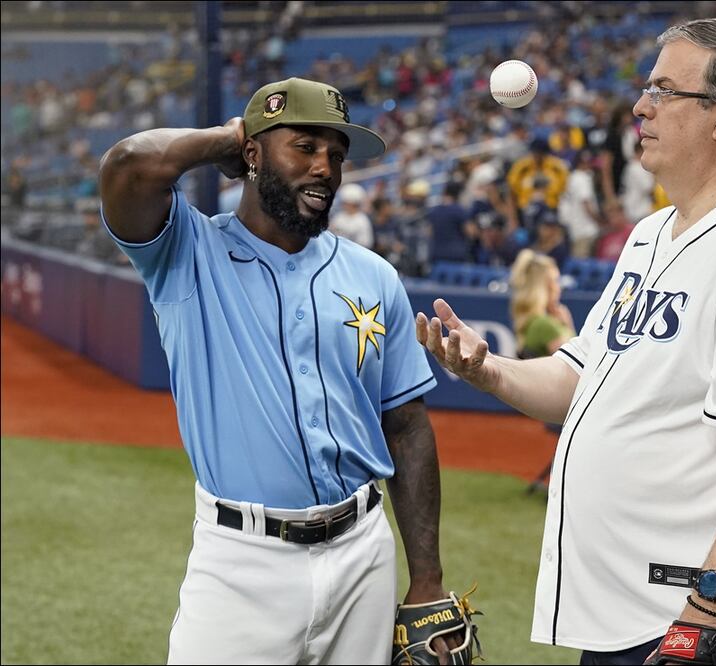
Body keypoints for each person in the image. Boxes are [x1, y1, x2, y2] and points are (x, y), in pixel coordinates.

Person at [417, 18, 716, 665]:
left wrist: (708, 609)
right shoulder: (649, 236)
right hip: (627, 613)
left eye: (664, 90)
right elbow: (578, 382)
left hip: (702, 618)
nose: (640, 106)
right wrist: (489, 370)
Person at [98, 77, 463, 664]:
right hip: (241, 561)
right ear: (252, 153)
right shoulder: (187, 252)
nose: (325, 168)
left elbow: (407, 424)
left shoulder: (372, 275)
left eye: (336, 156)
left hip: (361, 554)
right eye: (306, 147)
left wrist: (427, 579)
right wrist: (224, 138)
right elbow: (127, 168)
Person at [509, 249, 575, 359]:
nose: (559, 288)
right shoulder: (544, 325)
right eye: (556, 280)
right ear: (544, 287)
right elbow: (575, 365)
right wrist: (569, 327)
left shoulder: (534, 321)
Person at [329, 182, 374, 248]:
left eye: (346, 202)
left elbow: (365, 244)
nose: (343, 204)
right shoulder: (339, 217)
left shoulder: (362, 220)